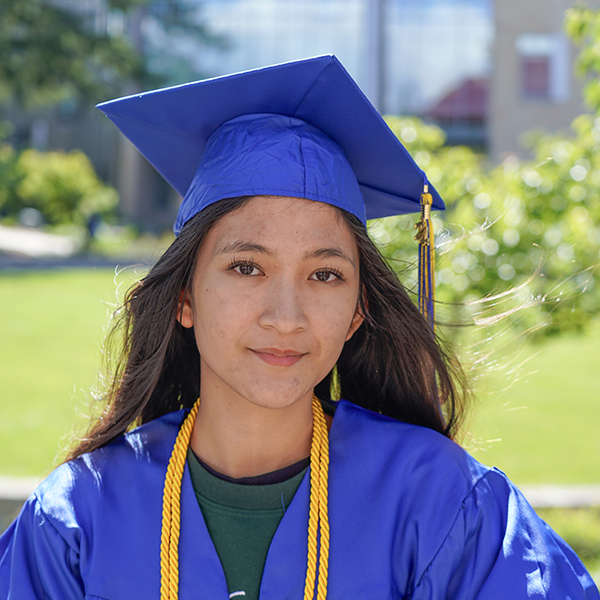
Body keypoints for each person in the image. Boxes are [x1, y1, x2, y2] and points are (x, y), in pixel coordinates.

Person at [0, 55, 598, 600]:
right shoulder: (78, 521)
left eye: (326, 276)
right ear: (185, 297)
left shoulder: (442, 503)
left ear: (358, 311)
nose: (285, 317)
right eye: (246, 267)